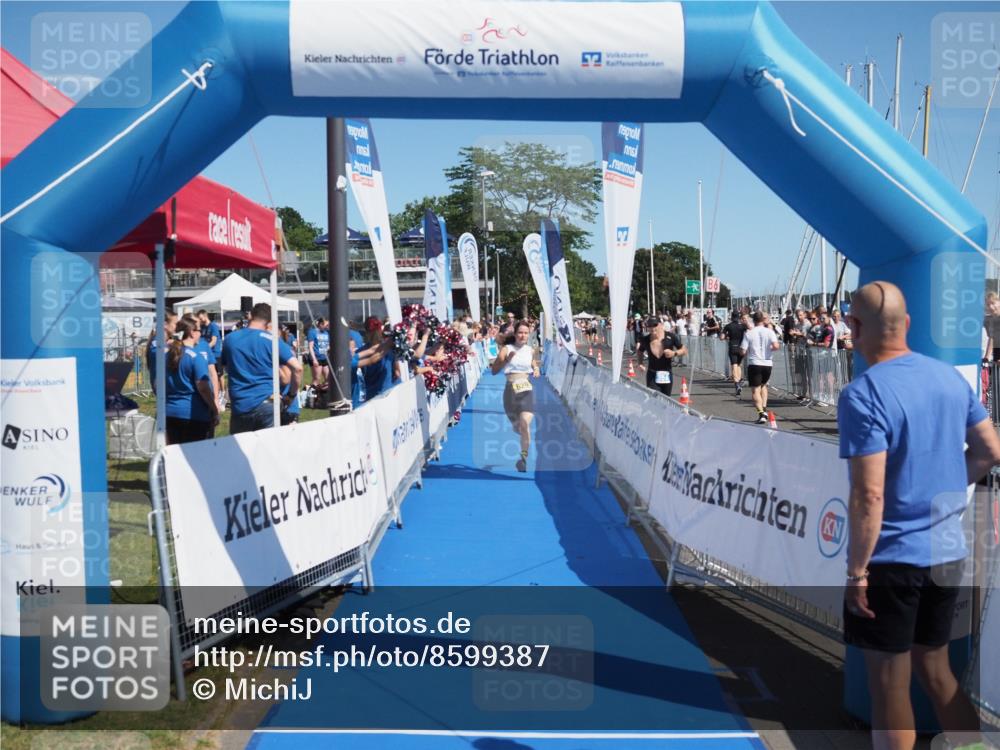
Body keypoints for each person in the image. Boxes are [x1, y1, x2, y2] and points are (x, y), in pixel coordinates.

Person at [838, 281, 1000, 750]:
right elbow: (989, 451)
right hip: (946, 551)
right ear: (906, 324)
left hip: (892, 557)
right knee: (935, 668)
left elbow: (869, 494)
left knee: (889, 682)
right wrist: (942, 488)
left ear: (855, 327)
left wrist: (856, 571)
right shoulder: (948, 378)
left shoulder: (863, 394)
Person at [221, 303, 303, 433]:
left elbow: (224, 367)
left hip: (240, 404)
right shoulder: (271, 340)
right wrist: (291, 395)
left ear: (250, 316)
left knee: (241, 445)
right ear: (269, 321)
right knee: (268, 445)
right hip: (267, 403)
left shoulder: (230, 338)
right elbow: (297, 368)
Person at [490, 319, 540, 473]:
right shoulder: (506, 349)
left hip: (526, 390)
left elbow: (533, 362)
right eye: (520, 333)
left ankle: (523, 459)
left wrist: (536, 369)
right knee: (519, 427)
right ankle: (516, 426)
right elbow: (494, 371)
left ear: (529, 334)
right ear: (515, 334)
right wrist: (506, 360)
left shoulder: (530, 350)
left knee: (525, 424)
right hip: (510, 391)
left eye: (526, 333)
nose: (523, 335)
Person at [163, 317, 218, 444]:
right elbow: (203, 387)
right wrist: (214, 408)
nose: (201, 334)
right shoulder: (196, 357)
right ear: (192, 333)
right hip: (193, 414)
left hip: (170, 412)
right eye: (199, 331)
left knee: (175, 452)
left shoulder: (167, 356)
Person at [740, 311, 780, 424]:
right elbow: (776, 346)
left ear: (753, 320)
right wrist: (769, 349)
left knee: (755, 390)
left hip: (755, 363)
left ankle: (761, 413)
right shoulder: (770, 332)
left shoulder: (749, 333)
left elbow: (743, 351)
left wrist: (747, 351)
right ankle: (764, 408)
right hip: (767, 363)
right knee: (763, 385)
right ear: (763, 320)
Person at [636, 316, 686, 397]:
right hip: (652, 374)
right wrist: (640, 363)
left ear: (661, 324)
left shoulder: (671, 337)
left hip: (667, 374)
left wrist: (674, 353)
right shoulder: (645, 339)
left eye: (655, 325)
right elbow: (640, 351)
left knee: (666, 399)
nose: (652, 328)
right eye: (649, 325)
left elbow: (684, 350)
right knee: (654, 398)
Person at [146, 311, 178, 393]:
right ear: (165, 325)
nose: (177, 326)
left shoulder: (165, 342)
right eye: (175, 323)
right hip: (164, 389)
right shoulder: (156, 343)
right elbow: (161, 353)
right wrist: (175, 348)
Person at [721, 311, 747, 396]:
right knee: (739, 365)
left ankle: (737, 384)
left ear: (731, 317)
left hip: (732, 347)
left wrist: (726, 336)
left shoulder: (728, 326)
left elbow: (722, 337)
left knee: (734, 365)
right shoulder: (742, 326)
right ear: (739, 317)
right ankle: (739, 381)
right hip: (741, 347)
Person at [307, 318, 330, 395]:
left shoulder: (326, 333)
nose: (327, 326)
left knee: (328, 378)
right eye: (326, 325)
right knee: (317, 379)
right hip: (316, 358)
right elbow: (310, 347)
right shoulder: (312, 332)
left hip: (325, 358)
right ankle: (310, 396)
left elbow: (327, 345)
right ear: (320, 324)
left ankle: (323, 395)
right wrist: (314, 359)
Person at [197, 309, 223, 374]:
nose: (200, 320)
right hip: (207, 354)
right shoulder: (202, 327)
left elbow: (213, 341)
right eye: (199, 319)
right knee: (210, 374)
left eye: (200, 318)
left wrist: (204, 349)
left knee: (219, 375)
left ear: (205, 316)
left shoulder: (213, 326)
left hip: (215, 354)